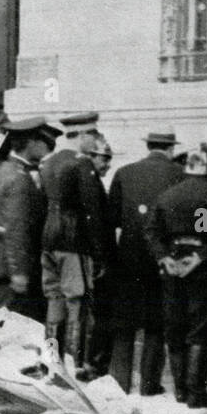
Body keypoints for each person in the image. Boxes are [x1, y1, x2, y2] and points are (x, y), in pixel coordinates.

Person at [145, 144, 207, 408]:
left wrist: (165, 257)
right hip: (202, 270)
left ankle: (181, 390)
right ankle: (196, 392)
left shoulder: (167, 195)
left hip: (172, 268)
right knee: (200, 329)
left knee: (175, 326)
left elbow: (150, 230)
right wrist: (200, 255)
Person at [108, 131, 184, 394]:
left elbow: (113, 218)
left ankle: (119, 383)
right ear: (171, 149)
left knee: (124, 324)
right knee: (156, 322)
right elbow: (193, 217)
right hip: (162, 258)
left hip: (128, 257)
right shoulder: (180, 174)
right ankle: (149, 383)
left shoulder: (124, 172)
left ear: (149, 147)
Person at [40, 112, 109, 364]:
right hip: (74, 242)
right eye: (93, 133)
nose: (97, 138)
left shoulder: (48, 162)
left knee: (54, 301)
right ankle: (74, 363)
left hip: (49, 239)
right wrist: (100, 254)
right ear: (80, 135)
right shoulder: (82, 164)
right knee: (77, 303)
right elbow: (93, 214)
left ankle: (51, 359)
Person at [0, 117, 59, 321]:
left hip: (0, 262)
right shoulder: (20, 179)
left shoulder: (6, 169)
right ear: (31, 143)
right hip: (11, 267)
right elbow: (16, 228)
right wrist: (19, 272)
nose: (48, 151)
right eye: (44, 145)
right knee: (4, 326)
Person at [82, 137, 120, 378]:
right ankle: (92, 363)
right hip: (97, 261)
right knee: (97, 315)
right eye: (104, 159)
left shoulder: (94, 182)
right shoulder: (90, 183)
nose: (107, 164)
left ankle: (91, 362)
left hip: (97, 259)